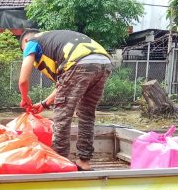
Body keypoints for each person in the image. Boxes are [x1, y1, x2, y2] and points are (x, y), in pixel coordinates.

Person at [18, 29, 112, 171]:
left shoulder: (32, 42)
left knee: (62, 115)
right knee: (87, 113)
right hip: (103, 61)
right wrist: (44, 104)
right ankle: (84, 161)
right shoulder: (56, 41)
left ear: (25, 41)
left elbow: (23, 80)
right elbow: (65, 84)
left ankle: (60, 163)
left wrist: (25, 98)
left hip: (78, 62)